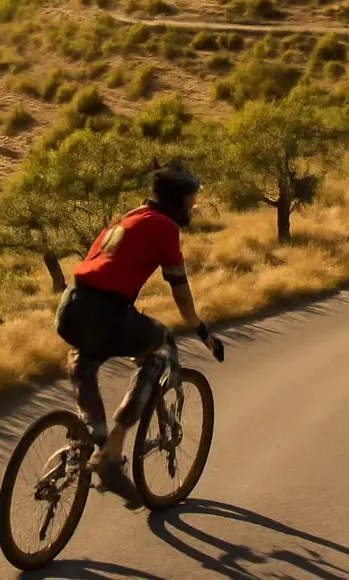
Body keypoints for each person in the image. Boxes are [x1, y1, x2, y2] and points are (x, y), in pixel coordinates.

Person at [55, 165, 224, 504]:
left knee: (87, 358)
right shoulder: (164, 227)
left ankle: (95, 439)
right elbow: (181, 294)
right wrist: (202, 331)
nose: (193, 207)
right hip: (106, 312)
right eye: (191, 201)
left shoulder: (129, 217)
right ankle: (111, 455)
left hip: (71, 307)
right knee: (159, 348)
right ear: (177, 201)